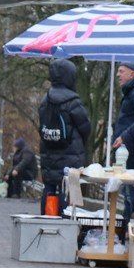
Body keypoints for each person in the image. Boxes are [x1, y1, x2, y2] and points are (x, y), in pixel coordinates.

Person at [38, 56, 91, 214]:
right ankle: (66, 224)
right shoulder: (73, 101)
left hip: (48, 153)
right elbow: (86, 127)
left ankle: (46, 220)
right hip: (71, 155)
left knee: (49, 188)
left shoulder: (45, 100)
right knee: (69, 190)